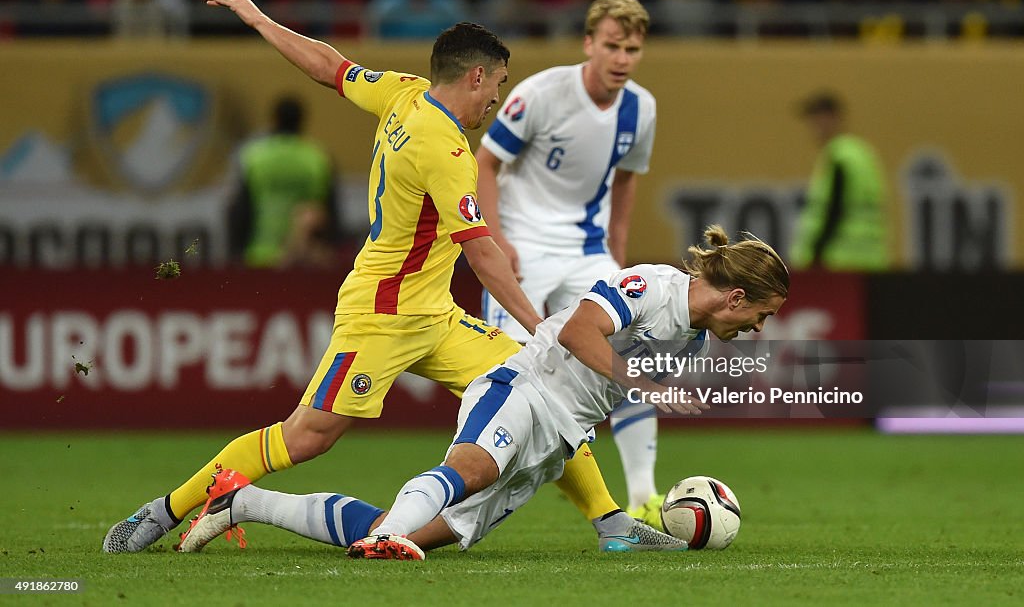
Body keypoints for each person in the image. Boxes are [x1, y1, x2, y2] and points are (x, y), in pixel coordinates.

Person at [103, 0, 631, 554]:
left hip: (434, 313)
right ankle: (162, 511)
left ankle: (614, 526)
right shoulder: (446, 151)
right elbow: (482, 254)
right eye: (498, 84)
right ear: (476, 76)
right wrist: (540, 325)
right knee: (305, 437)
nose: (497, 100)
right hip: (382, 313)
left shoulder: (403, 93)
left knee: (541, 387)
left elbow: (329, 66)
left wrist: (259, 19)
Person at [174, 225, 789, 559]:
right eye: (760, 315)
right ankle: (386, 542)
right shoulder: (652, 287)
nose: (757, 329)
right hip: (524, 388)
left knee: (416, 531)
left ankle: (244, 504)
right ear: (737, 297)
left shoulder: (697, 341)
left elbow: (613, 387)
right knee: (470, 466)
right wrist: (641, 383)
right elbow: (578, 330)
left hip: (556, 443)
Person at [475, 0, 665, 526]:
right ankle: (473, 485)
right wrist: (495, 238)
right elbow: (485, 162)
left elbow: (625, 182)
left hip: (585, 250)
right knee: (511, 371)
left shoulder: (641, 108)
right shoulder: (541, 93)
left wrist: (618, 257)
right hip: (522, 251)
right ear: (589, 44)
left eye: (632, 48)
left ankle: (644, 495)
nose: (622, 58)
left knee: (631, 353)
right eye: (611, 46)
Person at [226, 94, 340, 268]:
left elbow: (240, 209)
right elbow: (329, 210)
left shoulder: (254, 156)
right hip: (304, 259)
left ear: (274, 119)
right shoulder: (317, 157)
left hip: (260, 254)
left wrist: (236, 252)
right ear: (302, 120)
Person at [790, 91, 889, 271]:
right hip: (871, 257)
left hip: (839, 259)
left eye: (818, 118)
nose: (814, 126)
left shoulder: (839, 156)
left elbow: (834, 210)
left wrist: (816, 254)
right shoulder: (861, 153)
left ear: (834, 118)